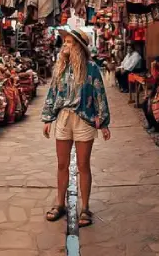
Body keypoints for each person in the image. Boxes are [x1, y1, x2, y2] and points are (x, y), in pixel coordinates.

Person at [41, 27, 111, 228]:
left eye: (69, 42)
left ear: (79, 47)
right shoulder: (60, 67)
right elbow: (53, 93)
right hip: (63, 118)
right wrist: (48, 119)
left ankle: (85, 207)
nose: (65, 44)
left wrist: (103, 122)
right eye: (65, 41)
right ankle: (60, 203)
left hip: (85, 120)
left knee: (83, 165)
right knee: (62, 164)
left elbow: (100, 95)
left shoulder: (91, 69)